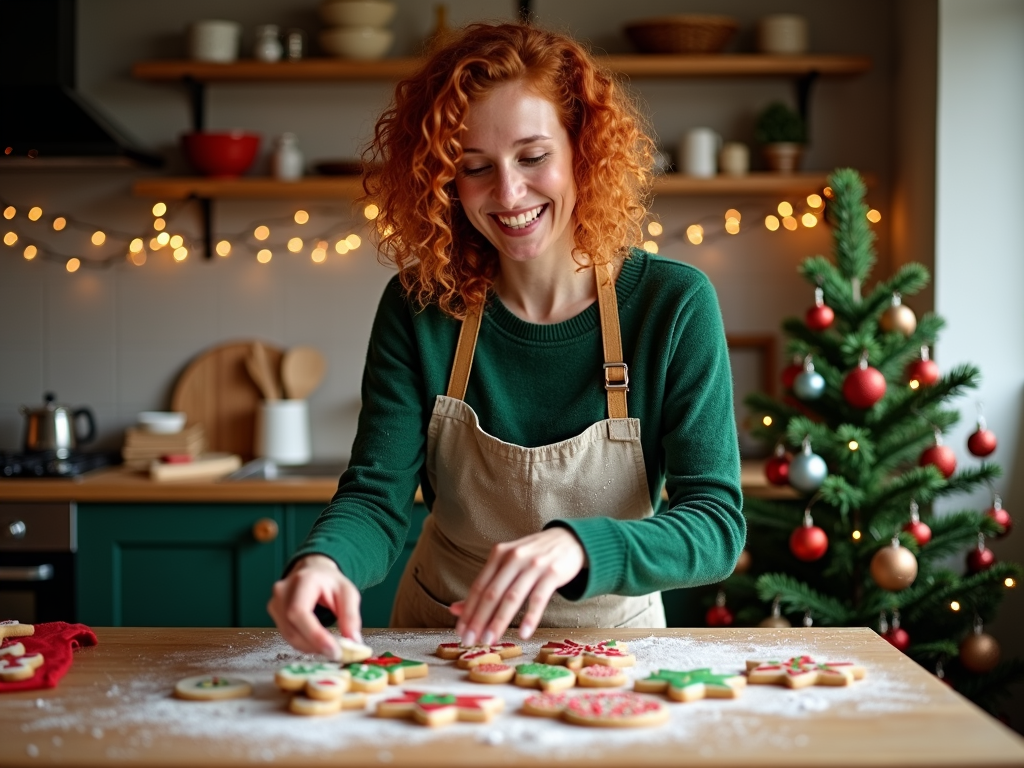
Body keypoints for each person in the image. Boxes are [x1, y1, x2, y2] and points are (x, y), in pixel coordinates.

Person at [268, 22, 744, 659]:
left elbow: (716, 525)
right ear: (444, 179)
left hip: (614, 647)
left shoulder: (673, 304)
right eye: (474, 167)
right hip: (443, 641)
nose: (509, 193)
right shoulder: (420, 306)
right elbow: (376, 500)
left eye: (533, 156)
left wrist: (580, 545)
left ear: (583, 147)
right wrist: (323, 564)